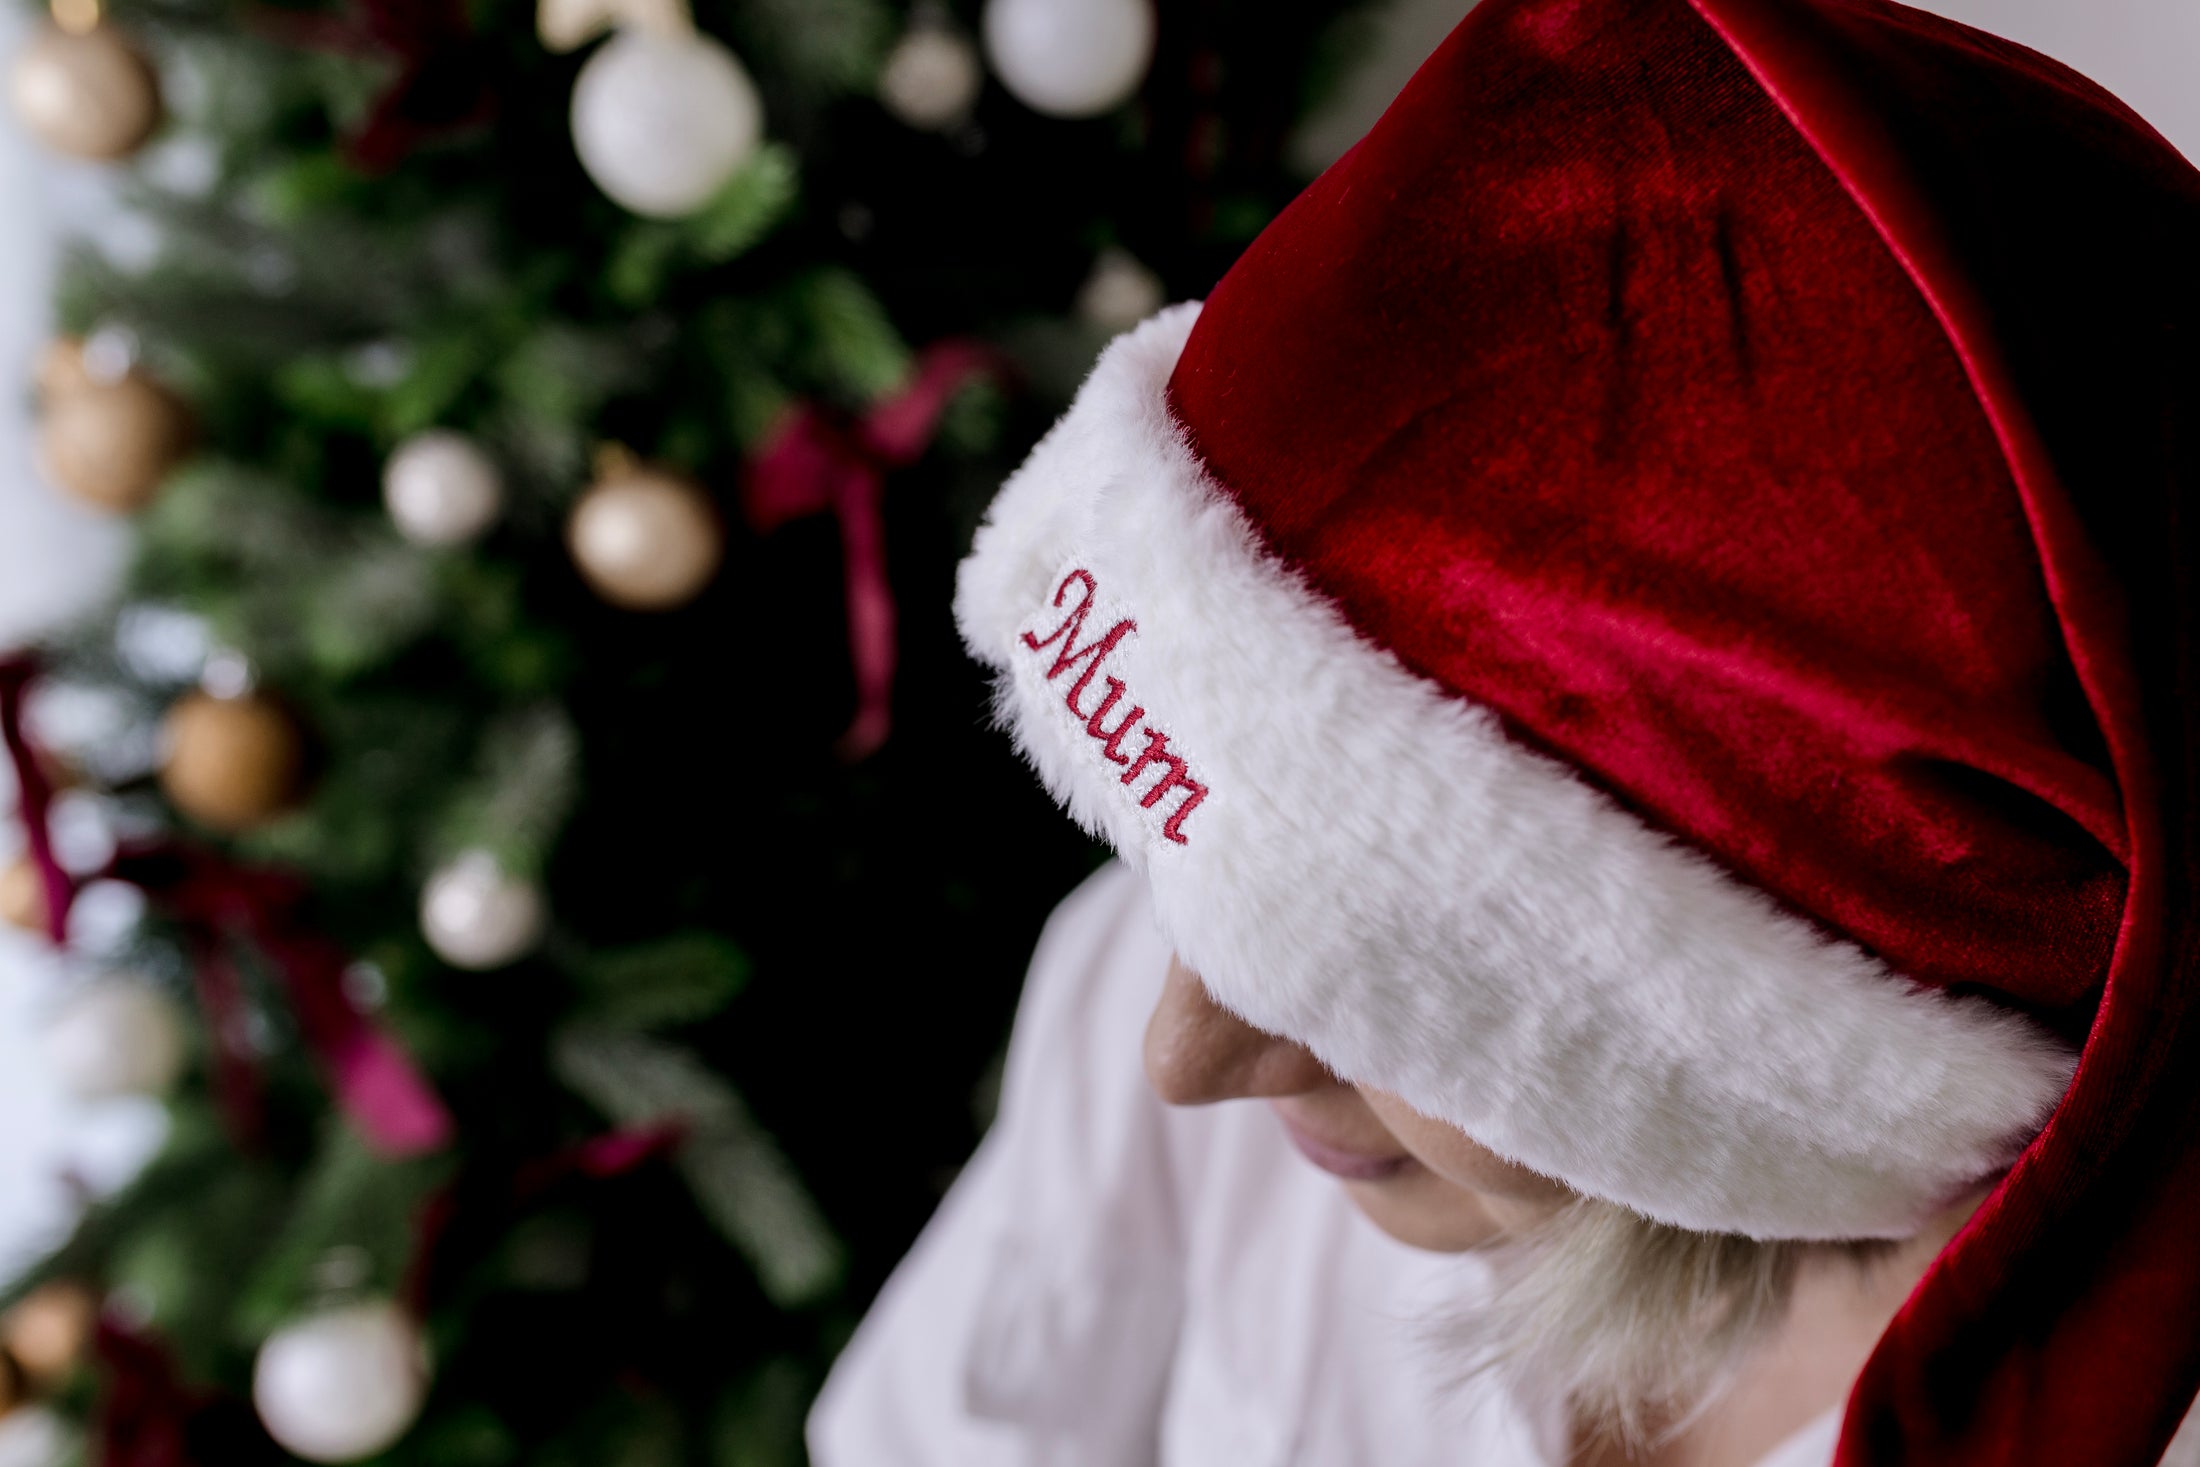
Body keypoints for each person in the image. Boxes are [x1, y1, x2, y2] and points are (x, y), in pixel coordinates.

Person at [810, 0, 2200, 1462]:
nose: (1189, 1051)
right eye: (1219, 838)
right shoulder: (1180, 962)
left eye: (1397, 968)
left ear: (1786, 1044)